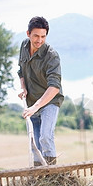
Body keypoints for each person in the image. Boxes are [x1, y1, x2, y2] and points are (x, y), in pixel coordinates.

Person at [17, 16, 64, 166]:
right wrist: (23, 88)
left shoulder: (51, 56)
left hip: (49, 101)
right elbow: (21, 71)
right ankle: (38, 178)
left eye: (43, 36)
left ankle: (52, 176)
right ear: (28, 34)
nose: (39, 40)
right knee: (34, 143)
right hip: (31, 103)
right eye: (36, 36)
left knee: (45, 137)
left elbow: (55, 87)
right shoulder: (24, 47)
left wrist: (36, 106)